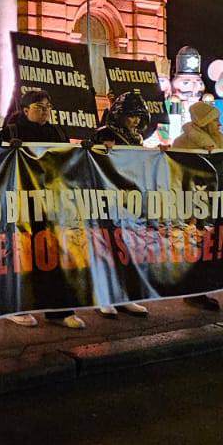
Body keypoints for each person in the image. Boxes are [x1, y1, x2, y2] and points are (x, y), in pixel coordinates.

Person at [0, 90, 86, 330]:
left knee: (53, 254)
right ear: (25, 110)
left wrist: (84, 150)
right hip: (19, 204)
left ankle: (58, 310)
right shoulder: (11, 131)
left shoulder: (56, 132)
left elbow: (67, 160)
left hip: (49, 203)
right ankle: (16, 306)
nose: (45, 110)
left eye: (47, 106)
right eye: (39, 106)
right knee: (20, 254)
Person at [89, 92, 155, 313]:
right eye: (130, 116)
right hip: (108, 199)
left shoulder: (136, 138)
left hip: (130, 200)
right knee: (107, 247)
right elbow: (92, 160)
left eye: (138, 116)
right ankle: (104, 297)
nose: (135, 121)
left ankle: (124, 295)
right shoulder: (104, 134)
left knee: (129, 248)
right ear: (120, 115)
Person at [171, 99, 223, 310]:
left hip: (212, 204)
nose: (219, 124)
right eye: (215, 120)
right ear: (204, 121)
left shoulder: (220, 142)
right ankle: (194, 292)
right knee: (196, 247)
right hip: (194, 205)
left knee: (209, 246)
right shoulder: (182, 143)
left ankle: (202, 288)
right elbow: (176, 173)